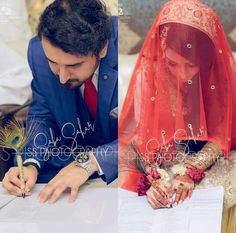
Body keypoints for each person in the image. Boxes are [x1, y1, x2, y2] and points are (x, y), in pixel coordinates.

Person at [119, 0, 236, 209]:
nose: (182, 76)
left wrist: (191, 170)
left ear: (206, 60)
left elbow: (222, 135)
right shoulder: (152, 75)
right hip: (168, 157)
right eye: (172, 64)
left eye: (190, 66)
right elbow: (141, 138)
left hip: (212, 158)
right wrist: (155, 177)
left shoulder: (218, 77)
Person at [2, 0, 118, 203]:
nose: (62, 77)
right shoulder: (38, 51)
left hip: (124, 173)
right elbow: (42, 115)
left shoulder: (137, 50)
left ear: (102, 48)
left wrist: (88, 163)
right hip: (63, 172)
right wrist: (30, 164)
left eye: (74, 65)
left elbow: (147, 133)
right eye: (53, 63)